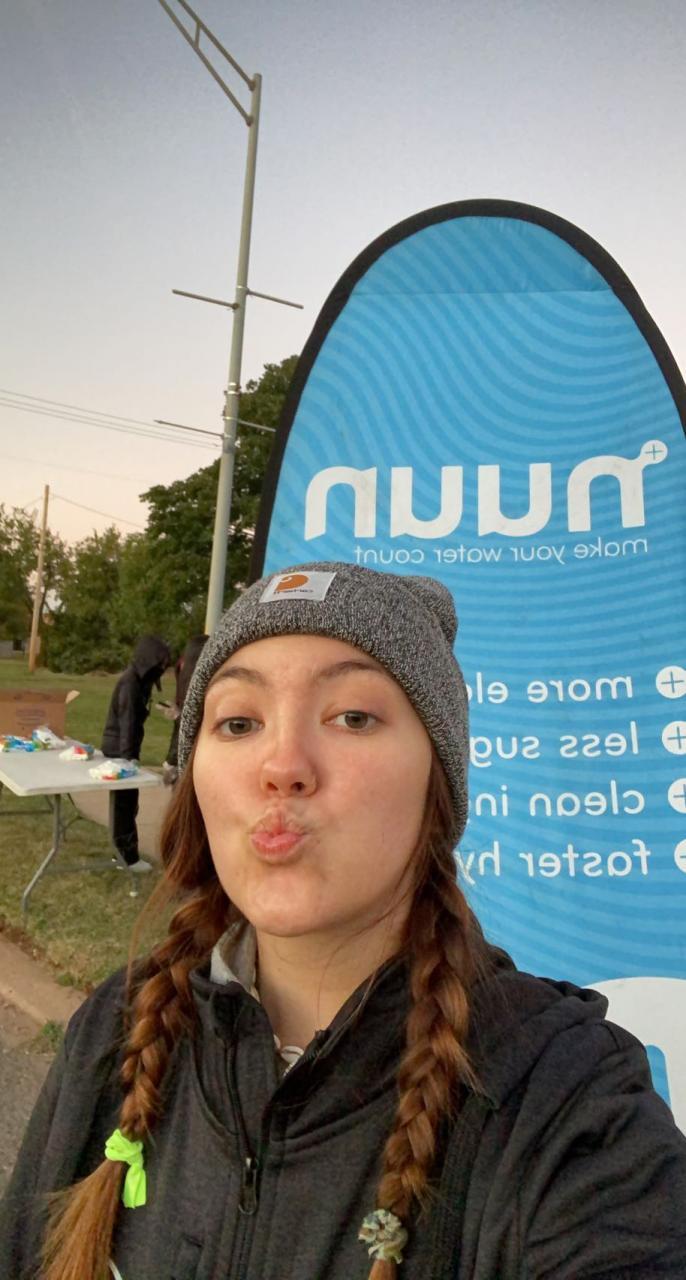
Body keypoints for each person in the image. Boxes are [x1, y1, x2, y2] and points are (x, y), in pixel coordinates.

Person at [1, 562, 685, 1280]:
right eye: (238, 722)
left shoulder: (562, 1097)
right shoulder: (114, 1029)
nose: (282, 765)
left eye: (353, 716)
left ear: (436, 786)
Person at [101, 634, 170, 873]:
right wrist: (129, 757)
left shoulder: (140, 681)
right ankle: (126, 857)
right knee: (125, 804)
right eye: (159, 663)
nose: (162, 669)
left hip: (123, 748)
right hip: (119, 750)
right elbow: (127, 722)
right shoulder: (130, 684)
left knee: (127, 804)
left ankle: (123, 854)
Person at [161, 633, 208, 785]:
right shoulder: (190, 683)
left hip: (194, 763)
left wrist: (178, 717)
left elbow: (195, 728)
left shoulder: (200, 690)